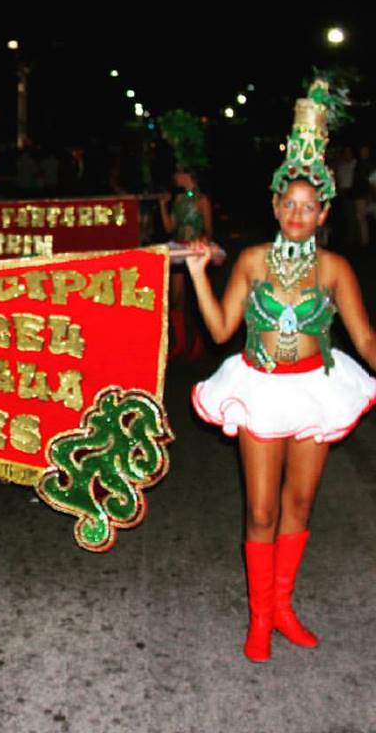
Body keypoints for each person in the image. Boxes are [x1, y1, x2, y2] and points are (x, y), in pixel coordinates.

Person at [186, 77, 376, 662]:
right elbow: (220, 331)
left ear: (323, 213)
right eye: (288, 204)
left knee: (299, 507)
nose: (297, 214)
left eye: (308, 206)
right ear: (275, 207)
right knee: (262, 509)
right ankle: (260, 618)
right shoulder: (250, 261)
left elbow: (365, 337)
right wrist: (195, 273)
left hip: (314, 392)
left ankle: (285, 607)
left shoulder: (336, 269)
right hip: (260, 390)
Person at [159, 168, 213, 360]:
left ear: (189, 176)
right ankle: (180, 344)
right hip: (179, 251)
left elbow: (208, 230)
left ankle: (198, 344)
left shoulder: (202, 200)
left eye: (178, 173)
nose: (175, 176)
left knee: (195, 300)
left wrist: (200, 247)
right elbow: (169, 228)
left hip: (195, 253)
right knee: (176, 300)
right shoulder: (179, 200)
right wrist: (163, 206)